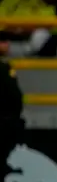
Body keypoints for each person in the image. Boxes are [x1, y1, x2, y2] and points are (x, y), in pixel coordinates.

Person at [0, 30, 24, 169]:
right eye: (3, 41)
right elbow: (15, 98)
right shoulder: (4, 69)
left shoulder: (6, 67)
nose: (7, 44)